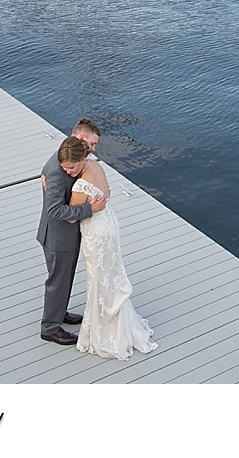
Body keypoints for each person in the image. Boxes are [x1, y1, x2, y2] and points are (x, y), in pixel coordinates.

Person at [66, 136, 158, 360]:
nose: (67, 171)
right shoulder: (96, 164)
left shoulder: (80, 186)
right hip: (109, 225)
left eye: (70, 167)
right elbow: (106, 193)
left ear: (80, 160)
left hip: (96, 234)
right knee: (112, 274)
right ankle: (117, 321)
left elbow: (69, 217)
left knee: (98, 278)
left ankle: (105, 331)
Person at [37, 118, 106, 345]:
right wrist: (89, 208)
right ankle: (50, 328)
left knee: (64, 279)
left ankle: (59, 312)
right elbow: (55, 210)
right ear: (81, 140)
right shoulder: (59, 170)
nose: (94, 149)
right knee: (58, 281)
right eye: (92, 144)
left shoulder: (68, 156)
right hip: (58, 237)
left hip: (65, 235)